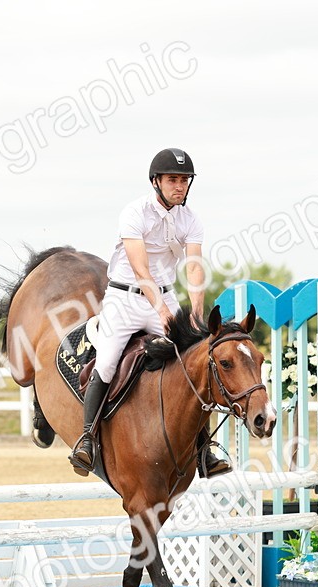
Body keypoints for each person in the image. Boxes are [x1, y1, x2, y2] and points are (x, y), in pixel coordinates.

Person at [70, 147, 207, 474]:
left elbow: (195, 269)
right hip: (125, 298)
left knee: (195, 360)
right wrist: (161, 312)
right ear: (156, 181)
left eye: (185, 180)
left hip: (165, 295)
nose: (180, 186)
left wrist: (197, 314)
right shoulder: (135, 212)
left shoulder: (190, 219)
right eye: (173, 179)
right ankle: (87, 438)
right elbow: (141, 269)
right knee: (106, 361)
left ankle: (205, 447)